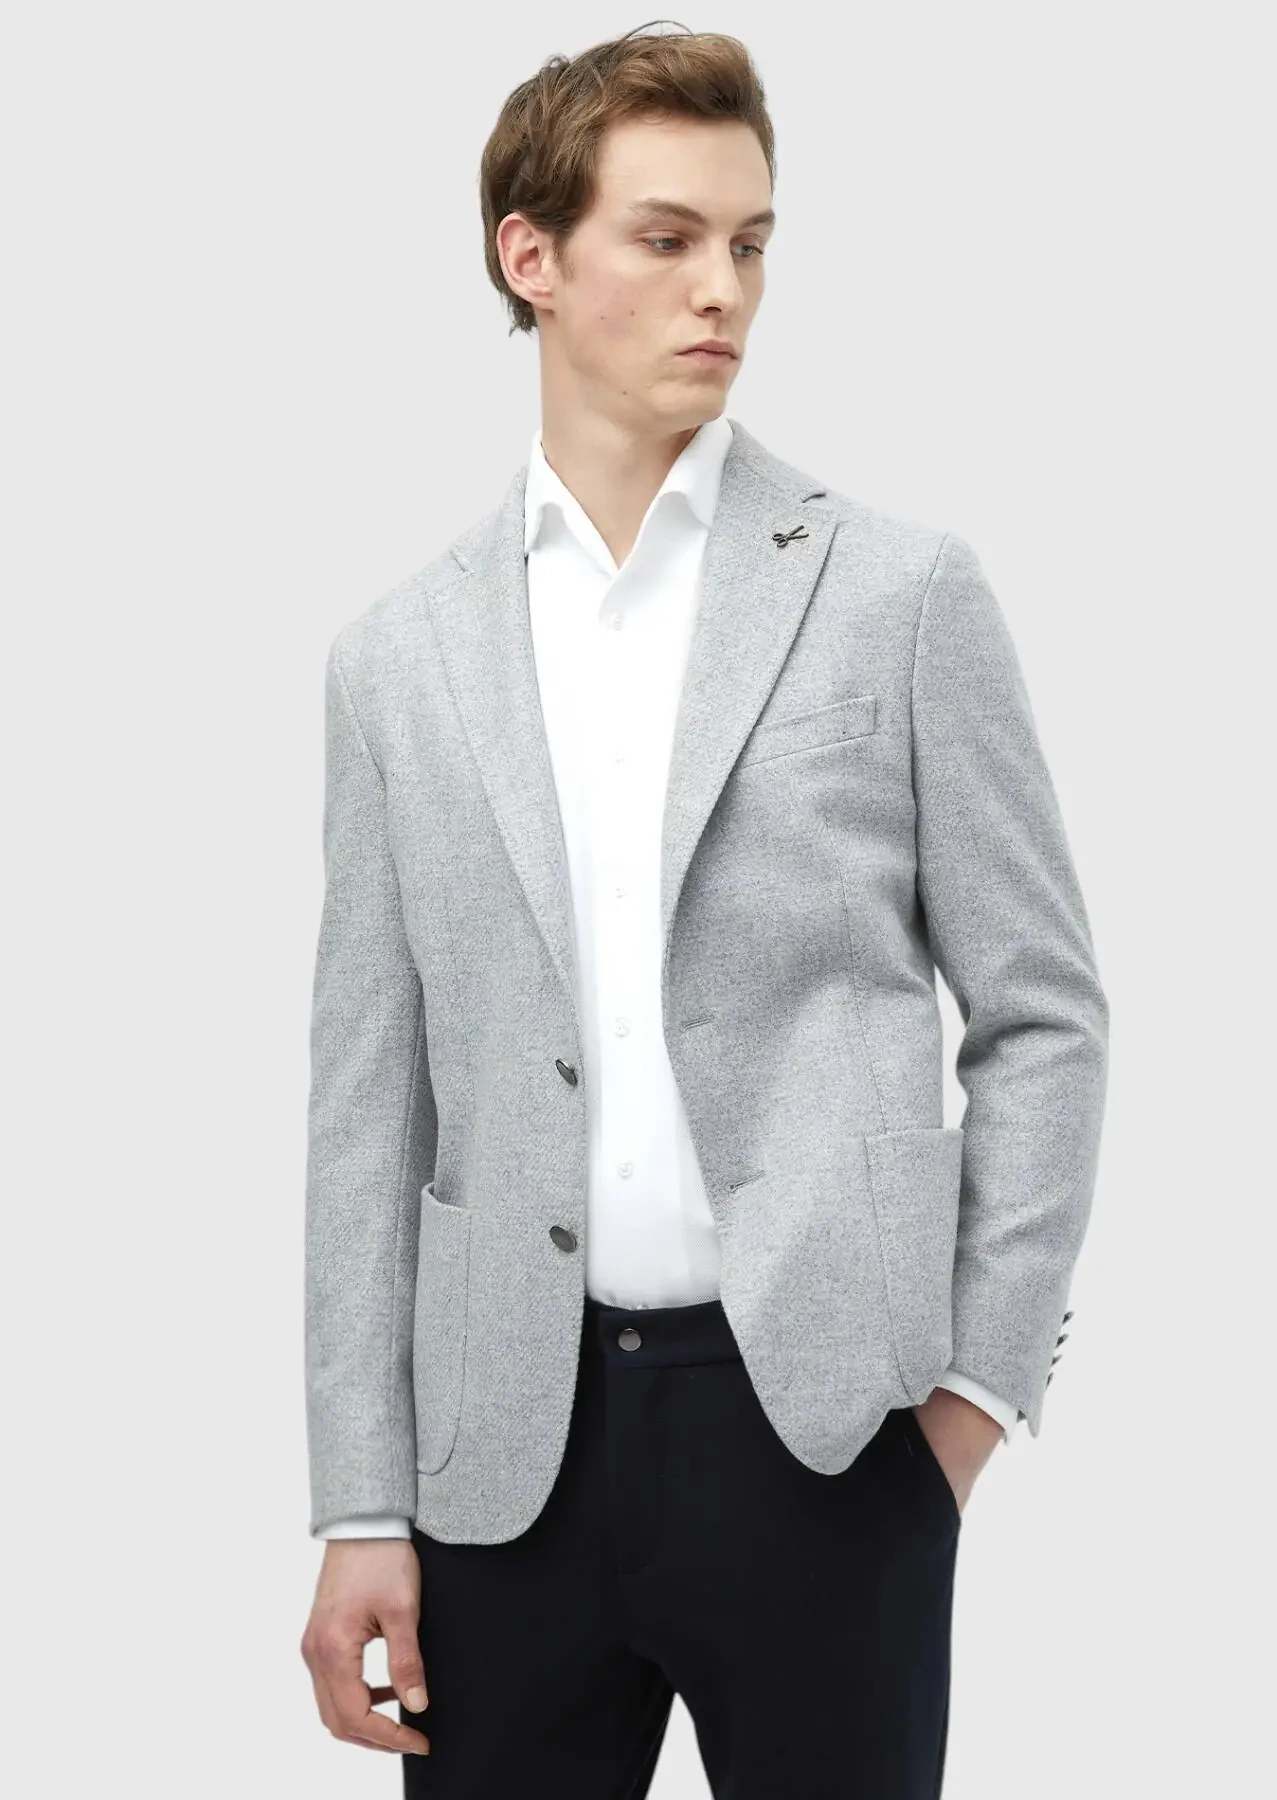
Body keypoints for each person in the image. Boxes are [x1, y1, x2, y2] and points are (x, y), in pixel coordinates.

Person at [299, 23, 1109, 1797]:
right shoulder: (395, 661)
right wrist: (360, 1502)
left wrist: (969, 1404)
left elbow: (1047, 1013)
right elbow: (370, 1105)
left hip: (825, 1443)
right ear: (530, 256)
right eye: (666, 238)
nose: (722, 288)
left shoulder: (899, 593)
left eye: (750, 243)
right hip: (501, 1470)